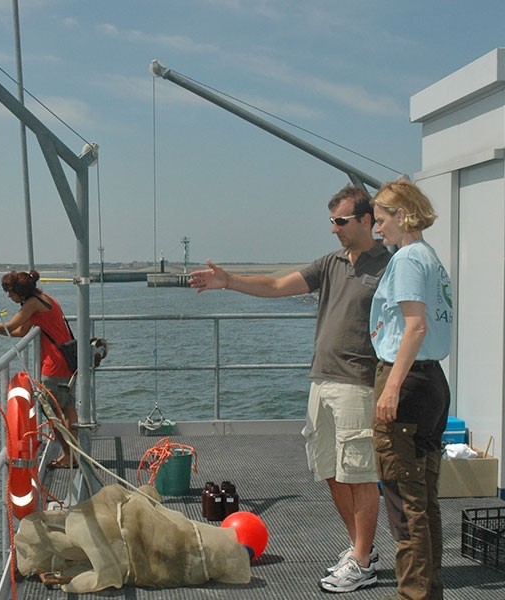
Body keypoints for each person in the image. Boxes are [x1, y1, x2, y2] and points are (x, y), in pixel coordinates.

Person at [188, 184, 390, 593]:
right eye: (331, 221)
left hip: (360, 382)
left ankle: (364, 560)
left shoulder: (389, 265)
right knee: (331, 471)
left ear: (366, 220)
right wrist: (228, 281)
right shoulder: (331, 263)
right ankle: (358, 549)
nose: (334, 229)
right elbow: (278, 286)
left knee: (361, 474)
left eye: (341, 221)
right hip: (323, 379)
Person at [369, 177, 453, 600]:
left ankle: (413, 594)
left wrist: (391, 388)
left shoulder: (405, 260)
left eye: (381, 220)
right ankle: (429, 590)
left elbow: (414, 327)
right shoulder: (430, 257)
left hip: (408, 380)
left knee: (404, 501)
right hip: (433, 382)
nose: (377, 229)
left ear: (402, 216)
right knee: (424, 498)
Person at [0, 270, 78, 469]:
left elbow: (11, 325)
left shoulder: (32, 304)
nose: (9, 297)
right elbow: (20, 332)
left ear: (19, 292)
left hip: (54, 366)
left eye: (10, 292)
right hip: (66, 361)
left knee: (52, 413)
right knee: (67, 408)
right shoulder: (43, 299)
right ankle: (73, 452)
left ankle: (69, 456)